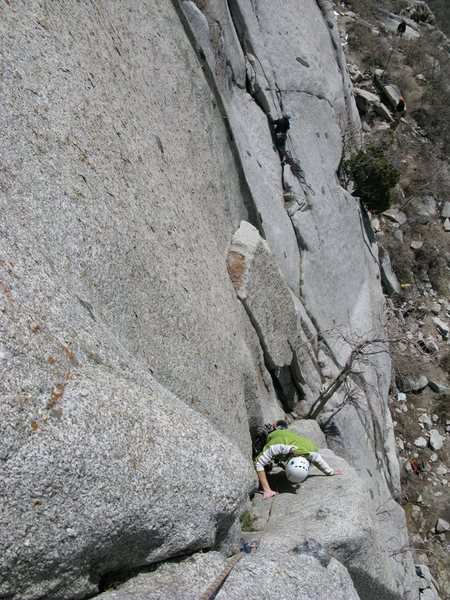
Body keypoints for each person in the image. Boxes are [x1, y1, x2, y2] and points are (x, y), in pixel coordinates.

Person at [254, 420, 341, 500]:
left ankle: (281, 427)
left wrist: (330, 471)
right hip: (277, 436)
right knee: (261, 445)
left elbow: (320, 462)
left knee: (284, 431)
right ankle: (276, 427)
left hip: (290, 436)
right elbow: (258, 462)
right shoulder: (279, 446)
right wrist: (267, 490)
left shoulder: (312, 452)